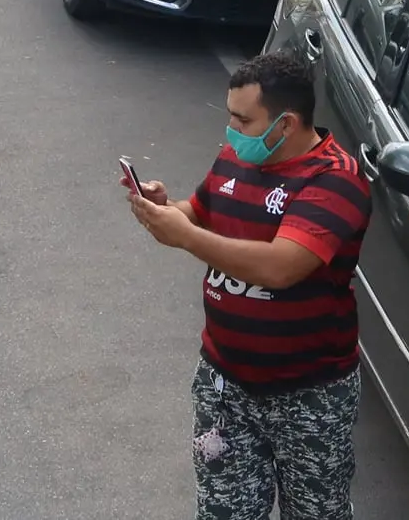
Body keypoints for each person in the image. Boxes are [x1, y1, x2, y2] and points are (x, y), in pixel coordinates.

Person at [127, 51, 372, 520]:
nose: (232, 131)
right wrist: (161, 209)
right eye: (229, 118)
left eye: (243, 120)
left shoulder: (336, 181)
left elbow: (282, 266)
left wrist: (187, 238)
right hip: (225, 386)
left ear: (286, 124)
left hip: (311, 397)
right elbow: (196, 213)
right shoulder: (233, 158)